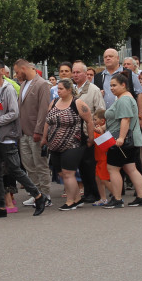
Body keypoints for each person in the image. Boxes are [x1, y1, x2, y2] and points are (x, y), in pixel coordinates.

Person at [0, 58, 49, 218]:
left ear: (1, 70)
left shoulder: (8, 89)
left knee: (15, 170)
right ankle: (1, 207)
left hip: (7, 137)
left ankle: (39, 197)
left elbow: (14, 113)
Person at [43, 79, 94, 210]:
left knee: (68, 173)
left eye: (61, 89)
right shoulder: (53, 103)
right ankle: (77, 198)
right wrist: (45, 138)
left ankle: (71, 201)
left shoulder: (77, 103)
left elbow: (89, 120)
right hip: (54, 144)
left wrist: (90, 138)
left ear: (69, 90)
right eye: (57, 89)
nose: (58, 91)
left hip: (73, 144)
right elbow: (47, 122)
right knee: (61, 173)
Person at [102, 73, 142, 208]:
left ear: (124, 85)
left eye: (114, 85)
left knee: (113, 168)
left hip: (121, 140)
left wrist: (121, 138)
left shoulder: (123, 100)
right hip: (129, 139)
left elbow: (125, 119)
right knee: (131, 168)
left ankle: (117, 199)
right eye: (110, 85)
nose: (111, 88)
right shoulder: (126, 98)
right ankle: (141, 197)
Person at [14, 59, 51, 208]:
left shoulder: (42, 84)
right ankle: (36, 194)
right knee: (29, 165)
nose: (16, 75)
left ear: (24, 68)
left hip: (35, 131)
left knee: (40, 165)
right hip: (23, 132)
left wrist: (39, 130)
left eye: (17, 72)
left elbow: (43, 110)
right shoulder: (23, 84)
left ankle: (46, 195)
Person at [72, 60, 105, 203]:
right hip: (75, 133)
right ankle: (87, 191)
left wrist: (98, 127)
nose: (75, 74)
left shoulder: (93, 90)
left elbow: (101, 110)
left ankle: (94, 192)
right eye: (74, 72)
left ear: (86, 74)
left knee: (90, 163)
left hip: (89, 131)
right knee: (81, 164)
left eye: (78, 72)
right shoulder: (72, 89)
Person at [92, 110, 111, 206]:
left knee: (104, 179)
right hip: (98, 158)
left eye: (95, 119)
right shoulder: (97, 129)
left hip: (103, 158)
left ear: (102, 121)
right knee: (98, 179)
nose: (93, 121)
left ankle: (116, 196)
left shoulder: (101, 130)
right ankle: (103, 198)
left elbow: (105, 145)